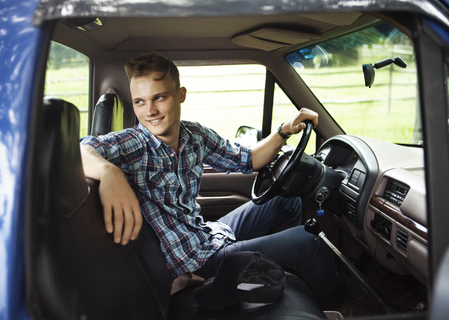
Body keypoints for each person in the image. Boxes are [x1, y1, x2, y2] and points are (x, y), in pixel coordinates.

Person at [79, 52, 345, 309]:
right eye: (139, 101)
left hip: (207, 235)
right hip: (195, 262)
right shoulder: (131, 144)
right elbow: (78, 150)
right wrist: (108, 172)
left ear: (181, 95)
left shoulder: (194, 135)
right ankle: (339, 308)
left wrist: (283, 131)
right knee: (309, 242)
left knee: (287, 202)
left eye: (159, 97)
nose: (150, 111)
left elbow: (248, 159)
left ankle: (270, 273)